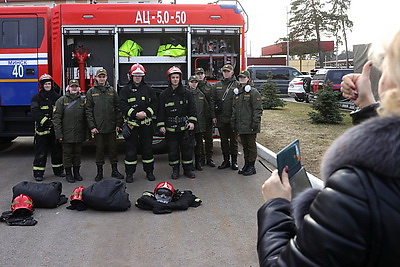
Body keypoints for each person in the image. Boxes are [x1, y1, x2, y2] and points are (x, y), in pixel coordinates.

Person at [257, 29, 400, 266]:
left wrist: (276, 205)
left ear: (392, 85)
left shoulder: (358, 190)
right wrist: (367, 107)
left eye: (386, 70)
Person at [119, 63, 157, 183]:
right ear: (131, 76)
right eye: (135, 75)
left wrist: (146, 113)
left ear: (143, 76)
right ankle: (129, 174)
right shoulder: (125, 90)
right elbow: (122, 105)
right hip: (132, 125)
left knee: (147, 149)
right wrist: (135, 114)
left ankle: (149, 172)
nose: (137, 77)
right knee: (131, 150)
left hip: (146, 125)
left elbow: (155, 104)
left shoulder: (149, 89)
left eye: (140, 75)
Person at [157, 66, 197, 179]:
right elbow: (160, 112)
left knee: (187, 150)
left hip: (184, 128)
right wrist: (161, 125)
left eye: (177, 77)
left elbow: (192, 109)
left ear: (180, 79)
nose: (175, 79)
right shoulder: (164, 95)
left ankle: (187, 170)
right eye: (173, 77)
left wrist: (192, 122)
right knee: (173, 150)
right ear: (169, 79)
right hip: (170, 129)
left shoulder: (187, 93)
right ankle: (175, 170)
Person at [86, 68, 124, 181]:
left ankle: (115, 171)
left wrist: (118, 123)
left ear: (106, 77)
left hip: (111, 127)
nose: (101, 78)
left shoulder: (112, 91)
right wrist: (92, 126)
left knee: (113, 150)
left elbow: (118, 109)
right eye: (100, 76)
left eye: (103, 76)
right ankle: (99, 173)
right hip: (98, 128)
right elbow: (88, 111)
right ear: (96, 78)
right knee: (99, 150)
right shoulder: (91, 92)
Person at [30, 74, 65, 181]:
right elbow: (35, 112)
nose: (48, 85)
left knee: (57, 151)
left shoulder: (58, 98)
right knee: (41, 152)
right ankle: (38, 173)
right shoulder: (36, 98)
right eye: (45, 84)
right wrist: (47, 122)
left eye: (49, 83)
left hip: (55, 131)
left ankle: (58, 171)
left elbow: (62, 112)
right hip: (42, 131)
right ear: (42, 85)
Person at [53, 79, 87, 183]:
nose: (74, 88)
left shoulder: (83, 101)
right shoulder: (61, 101)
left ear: (78, 88)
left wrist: (86, 133)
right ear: (69, 88)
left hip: (79, 133)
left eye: (76, 86)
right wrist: (59, 134)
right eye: (72, 86)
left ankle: (76, 173)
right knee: (67, 155)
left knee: (77, 154)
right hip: (66, 134)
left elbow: (86, 118)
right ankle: (68, 174)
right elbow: (56, 118)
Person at [232, 70, 262, 176]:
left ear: (248, 79)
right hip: (241, 125)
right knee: (244, 146)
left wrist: (255, 123)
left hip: (250, 125)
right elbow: (235, 109)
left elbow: (258, 109)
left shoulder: (253, 92)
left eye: (244, 77)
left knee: (251, 146)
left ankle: (251, 166)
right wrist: (234, 123)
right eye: (240, 78)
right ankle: (246, 164)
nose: (242, 79)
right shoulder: (238, 92)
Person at [213, 64, 240, 170]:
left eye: (228, 71)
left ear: (232, 72)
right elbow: (213, 101)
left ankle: (234, 162)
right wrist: (214, 116)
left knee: (233, 141)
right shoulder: (217, 85)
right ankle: (226, 161)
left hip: (233, 119)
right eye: (224, 71)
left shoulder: (238, 85)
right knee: (223, 141)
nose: (226, 73)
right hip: (221, 118)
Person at [187, 75, 210, 171]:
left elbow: (206, 110)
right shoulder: (185, 94)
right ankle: (189, 164)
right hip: (188, 125)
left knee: (199, 145)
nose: (194, 84)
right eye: (192, 82)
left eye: (195, 82)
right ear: (188, 83)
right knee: (189, 145)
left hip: (200, 125)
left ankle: (198, 163)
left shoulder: (201, 95)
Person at [195, 67, 216, 167]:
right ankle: (200, 159)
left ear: (204, 75)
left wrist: (213, 116)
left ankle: (209, 159)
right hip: (198, 118)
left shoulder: (209, 87)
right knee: (198, 140)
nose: (199, 75)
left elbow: (212, 102)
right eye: (198, 74)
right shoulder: (192, 86)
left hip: (207, 117)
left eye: (201, 73)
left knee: (209, 139)